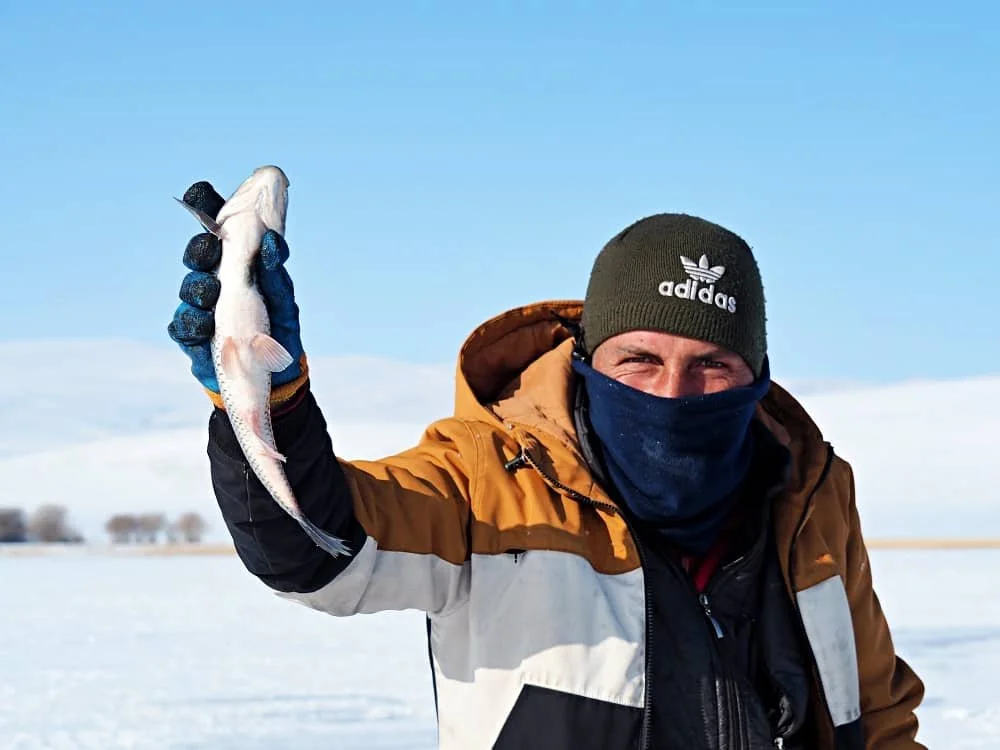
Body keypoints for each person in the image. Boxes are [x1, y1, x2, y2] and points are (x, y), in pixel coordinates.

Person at [168, 179, 927, 750]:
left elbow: (878, 716)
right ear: (590, 359)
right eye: (640, 360)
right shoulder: (486, 477)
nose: (674, 393)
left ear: (757, 373)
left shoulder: (809, 494)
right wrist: (273, 402)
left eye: (713, 366)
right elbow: (320, 550)